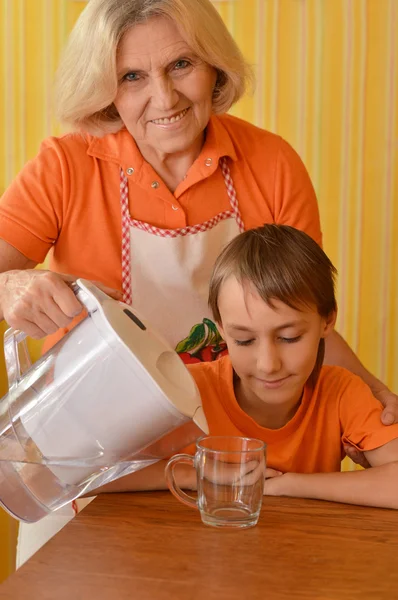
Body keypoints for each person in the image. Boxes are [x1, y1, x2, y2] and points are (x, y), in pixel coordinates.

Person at [0, 0, 396, 441]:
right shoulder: (65, 167)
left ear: (215, 67)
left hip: (234, 449)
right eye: (133, 76)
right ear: (105, 87)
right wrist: (8, 286)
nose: (165, 97)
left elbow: (301, 320)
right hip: (98, 448)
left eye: (182, 64)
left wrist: (372, 394)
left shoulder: (272, 164)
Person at [99, 224, 398, 509]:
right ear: (222, 330)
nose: (268, 365)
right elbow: (87, 475)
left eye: (289, 337)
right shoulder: (186, 391)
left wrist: (291, 485)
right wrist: (199, 473)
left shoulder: (342, 392)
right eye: (243, 340)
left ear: (327, 321)